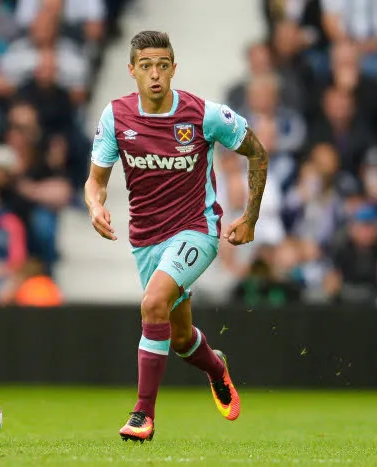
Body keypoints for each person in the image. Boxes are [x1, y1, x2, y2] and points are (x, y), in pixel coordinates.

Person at [84, 31, 269, 442]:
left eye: (162, 65)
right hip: (146, 240)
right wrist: (95, 206)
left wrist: (250, 217)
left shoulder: (203, 115)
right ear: (131, 70)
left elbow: (257, 151)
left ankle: (142, 415)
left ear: (173, 69)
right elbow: (96, 181)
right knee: (181, 337)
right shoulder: (115, 117)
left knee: (152, 304)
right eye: (146, 66)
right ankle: (216, 367)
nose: (155, 74)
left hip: (196, 230)